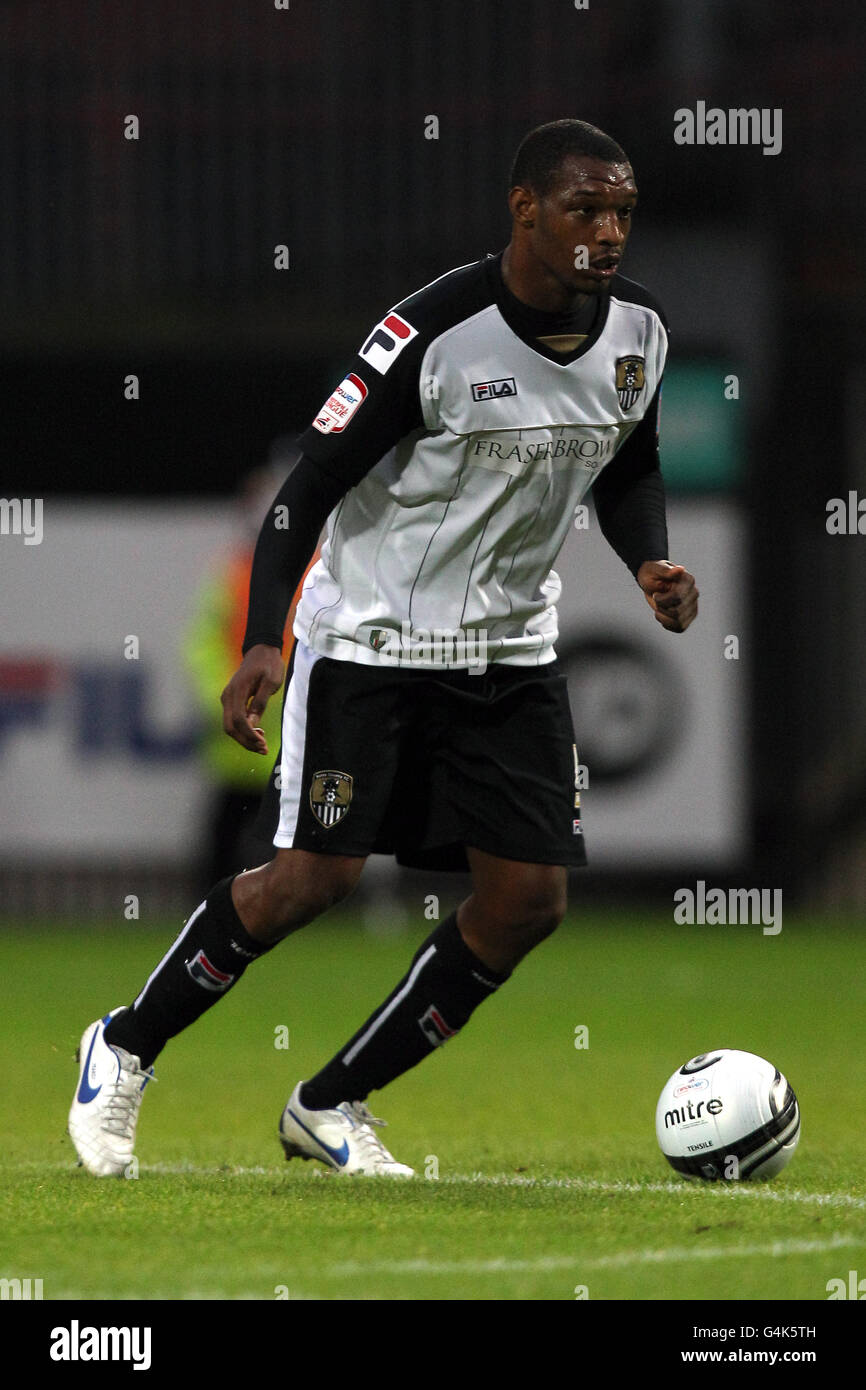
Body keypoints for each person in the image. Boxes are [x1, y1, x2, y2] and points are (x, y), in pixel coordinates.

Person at [69, 119, 698, 1179]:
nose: (606, 230)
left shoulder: (639, 331)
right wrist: (265, 638)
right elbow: (306, 489)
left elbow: (626, 461)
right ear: (524, 210)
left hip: (510, 650)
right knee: (307, 879)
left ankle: (330, 1102)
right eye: (585, 208)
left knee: (526, 903)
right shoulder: (427, 334)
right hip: (370, 641)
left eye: (622, 211)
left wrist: (648, 563)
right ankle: (125, 1044)